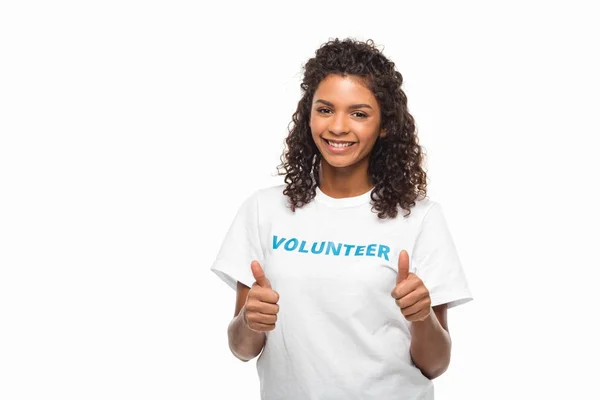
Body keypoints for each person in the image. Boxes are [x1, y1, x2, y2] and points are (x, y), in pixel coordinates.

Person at [210, 37, 472, 400]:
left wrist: (421, 315)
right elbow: (242, 348)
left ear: (383, 125)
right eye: (325, 109)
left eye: (359, 113)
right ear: (309, 115)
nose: (338, 127)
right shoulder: (263, 211)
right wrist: (249, 321)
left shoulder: (420, 218)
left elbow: (436, 364)